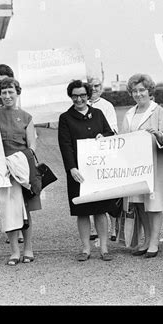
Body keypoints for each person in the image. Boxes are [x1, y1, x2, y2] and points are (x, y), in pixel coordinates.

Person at [0, 77, 40, 265]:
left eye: (11, 92)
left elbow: (32, 145)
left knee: (25, 209)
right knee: (8, 208)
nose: (7, 96)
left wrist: (20, 162)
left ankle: (28, 248)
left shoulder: (26, 117)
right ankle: (14, 250)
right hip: (2, 170)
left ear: (17, 93)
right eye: (4, 92)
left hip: (22, 168)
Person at [58, 80, 116, 261]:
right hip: (78, 172)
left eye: (82, 95)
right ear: (70, 96)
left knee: (100, 209)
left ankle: (104, 248)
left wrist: (103, 136)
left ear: (88, 95)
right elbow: (65, 145)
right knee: (82, 211)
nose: (79, 99)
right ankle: (86, 248)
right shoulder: (65, 118)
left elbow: (110, 133)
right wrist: (71, 168)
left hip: (97, 171)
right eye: (75, 95)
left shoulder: (98, 114)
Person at [122, 74, 163, 258]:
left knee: (154, 203)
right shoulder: (129, 113)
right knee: (139, 203)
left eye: (142, 90)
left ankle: (154, 242)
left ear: (149, 91)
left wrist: (158, 135)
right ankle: (146, 239)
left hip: (154, 164)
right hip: (135, 166)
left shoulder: (158, 111)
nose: (138, 94)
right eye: (134, 91)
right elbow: (123, 139)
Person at [0, 64, 25, 244]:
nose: (5, 88)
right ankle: (9, 228)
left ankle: (22, 229)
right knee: (4, 195)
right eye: (0, 82)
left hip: (17, 154)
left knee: (21, 194)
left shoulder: (18, 102)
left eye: (6, 80)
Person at [87, 76, 119, 241]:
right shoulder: (81, 105)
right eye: (90, 86)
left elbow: (113, 129)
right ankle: (93, 227)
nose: (93, 89)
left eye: (97, 86)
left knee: (109, 192)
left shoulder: (107, 106)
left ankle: (113, 227)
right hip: (88, 154)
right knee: (91, 190)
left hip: (105, 153)